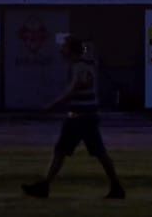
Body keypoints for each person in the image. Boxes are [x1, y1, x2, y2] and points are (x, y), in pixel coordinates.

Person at [23, 36, 125, 200]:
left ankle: (45, 186)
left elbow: (72, 90)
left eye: (64, 47)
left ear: (71, 50)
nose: (61, 49)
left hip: (80, 118)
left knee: (68, 152)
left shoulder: (79, 67)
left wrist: (51, 106)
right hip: (84, 117)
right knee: (76, 152)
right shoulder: (85, 65)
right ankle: (116, 186)